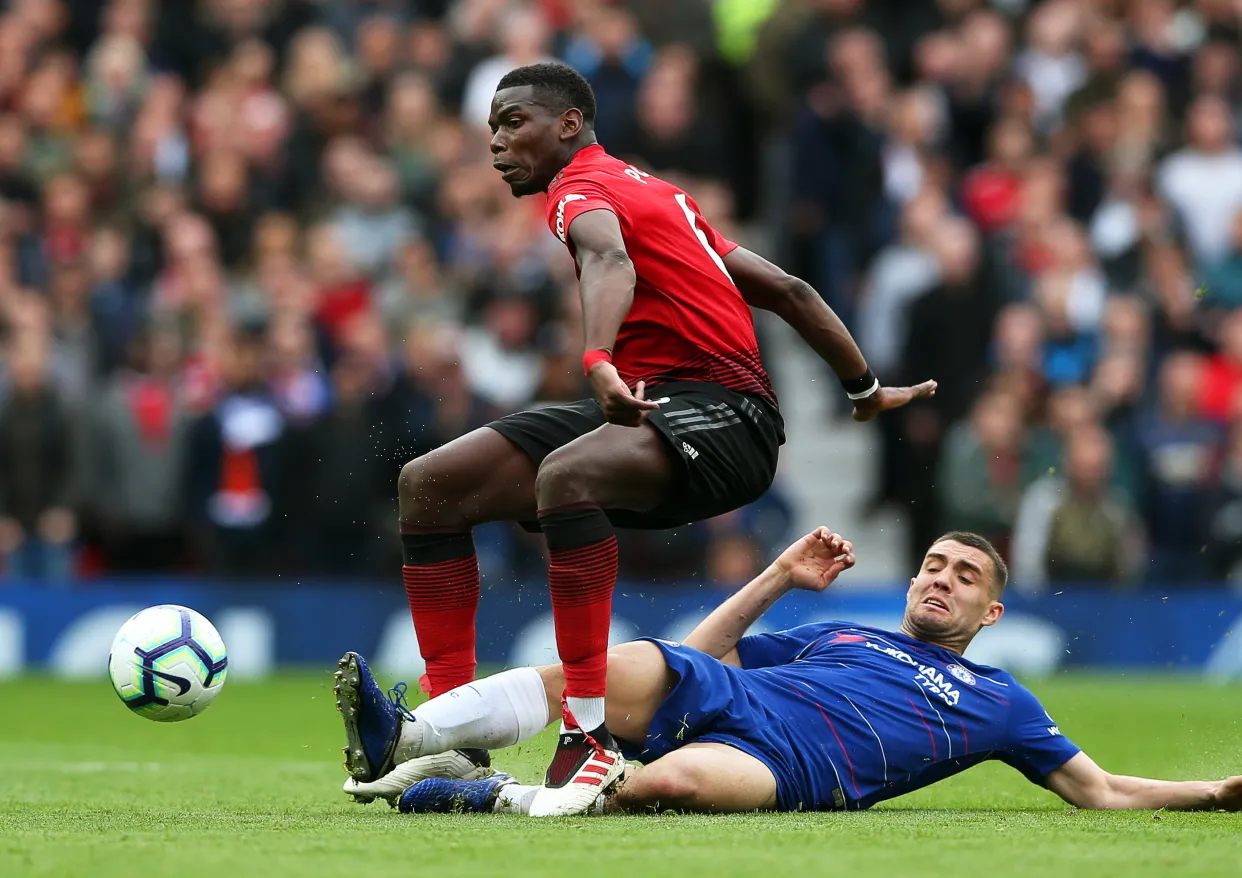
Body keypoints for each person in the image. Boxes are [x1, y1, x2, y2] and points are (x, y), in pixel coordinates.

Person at [373, 61, 936, 817]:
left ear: (568, 124)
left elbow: (608, 259)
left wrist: (598, 358)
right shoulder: (660, 194)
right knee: (431, 484)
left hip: (729, 417)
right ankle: (450, 732)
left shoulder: (583, 190)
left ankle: (588, 732)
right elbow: (786, 290)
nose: (498, 143)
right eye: (492, 129)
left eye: (513, 124)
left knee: (566, 477)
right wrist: (864, 388)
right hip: (661, 404)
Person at [333, 528, 1242, 816]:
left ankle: (476, 795)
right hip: (734, 692)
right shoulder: (845, 633)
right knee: (610, 663)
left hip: (800, 769)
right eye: (931, 562)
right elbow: (707, 652)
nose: (939, 578)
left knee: (668, 783)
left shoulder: (1000, 700)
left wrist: (1215, 795)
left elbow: (1096, 791)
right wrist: (774, 576)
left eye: (963, 574)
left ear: (990, 611)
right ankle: (407, 735)